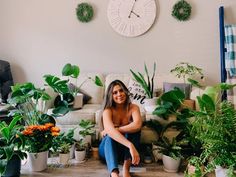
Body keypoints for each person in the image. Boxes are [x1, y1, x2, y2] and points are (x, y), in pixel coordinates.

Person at [98, 80, 142, 177]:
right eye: (115, 92)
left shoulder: (134, 108)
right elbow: (110, 131)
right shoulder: (108, 110)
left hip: (123, 152)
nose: (119, 94)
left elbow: (137, 125)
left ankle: (126, 170)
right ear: (111, 95)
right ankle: (114, 174)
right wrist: (130, 145)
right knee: (110, 136)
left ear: (125, 91)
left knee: (135, 131)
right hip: (106, 151)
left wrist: (116, 129)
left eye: (121, 90)